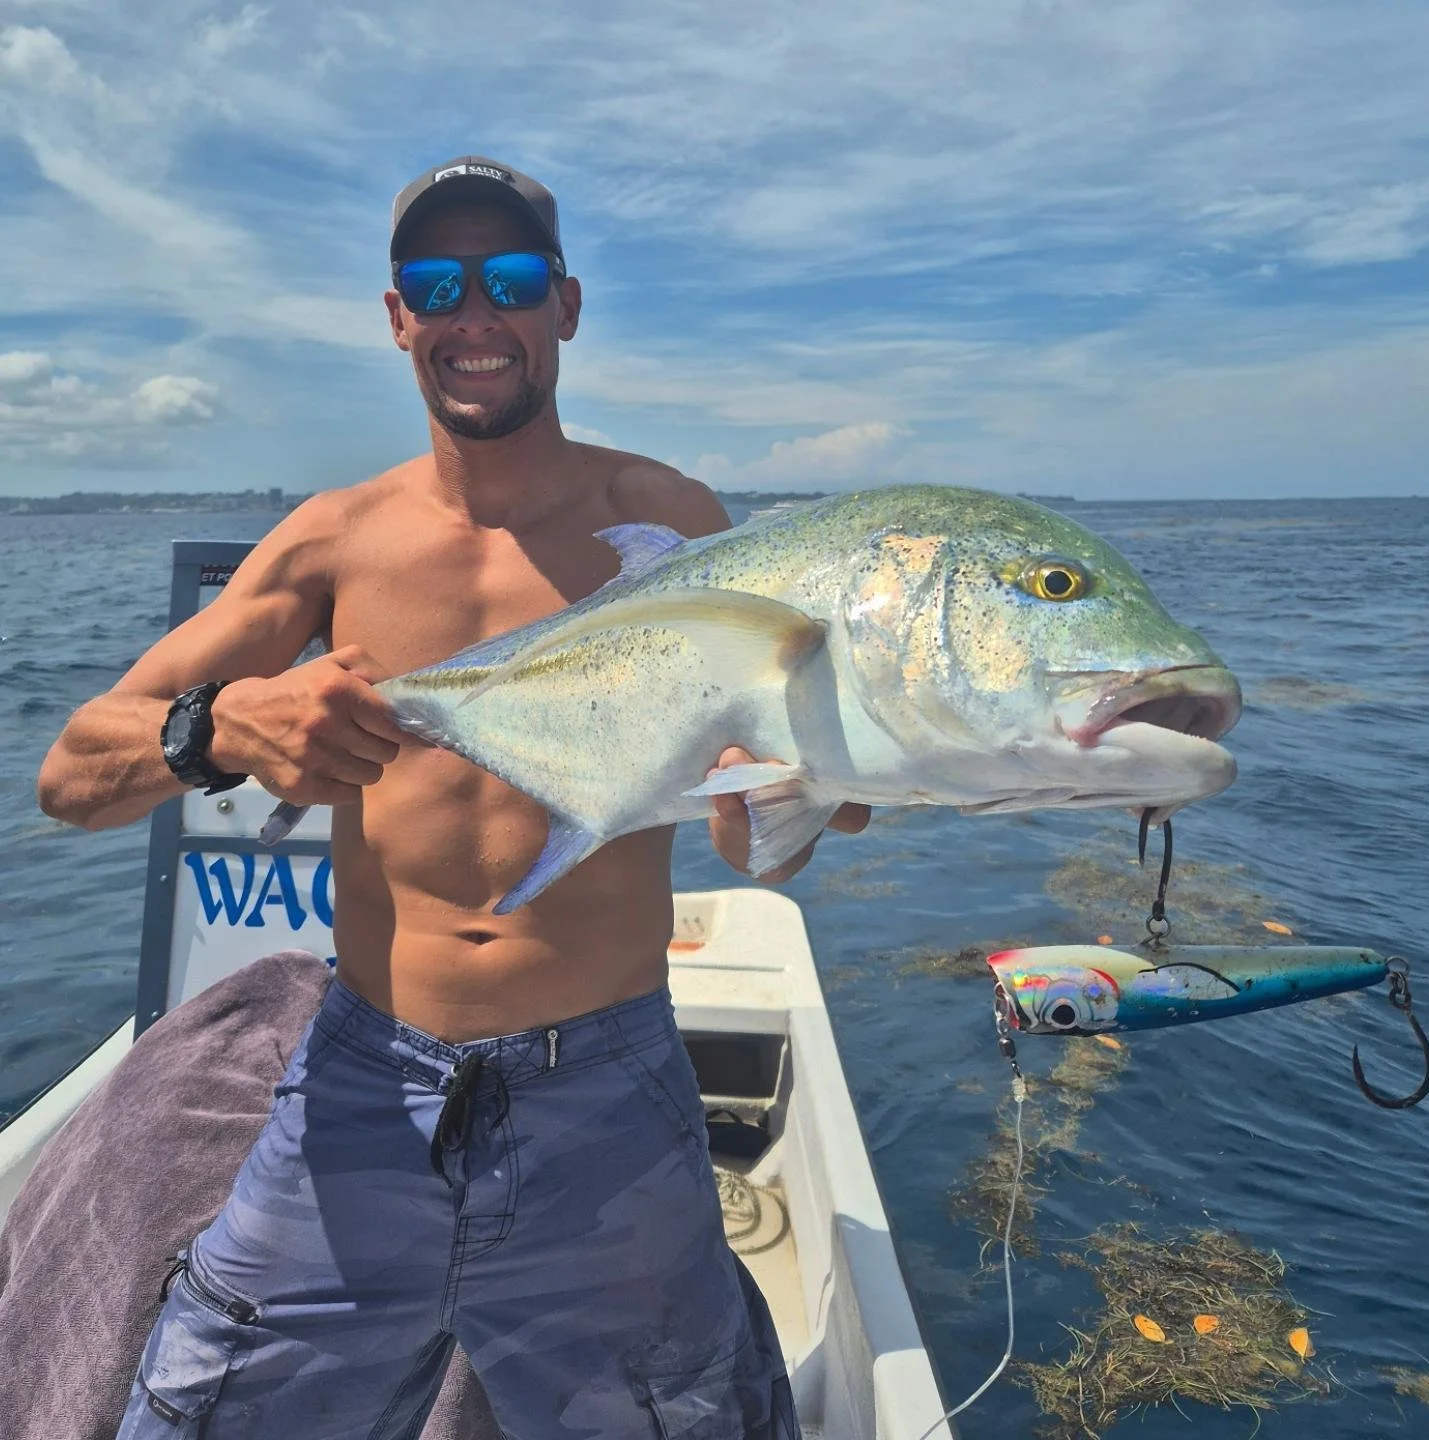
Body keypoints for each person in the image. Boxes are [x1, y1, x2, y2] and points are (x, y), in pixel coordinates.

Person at [37, 155, 869, 1439]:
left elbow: (758, 826)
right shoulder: (334, 538)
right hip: (366, 1078)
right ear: (397, 318)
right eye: (437, 284)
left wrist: (781, 808)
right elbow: (73, 775)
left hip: (609, 1082)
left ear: (567, 305)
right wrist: (222, 729)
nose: (475, 314)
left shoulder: (665, 519)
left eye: (511, 279)